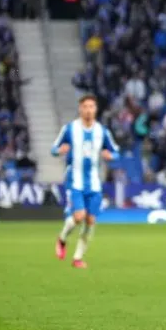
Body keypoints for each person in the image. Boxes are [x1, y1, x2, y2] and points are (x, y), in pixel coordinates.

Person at [51, 95, 119, 269]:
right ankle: (62, 238)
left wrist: (111, 155)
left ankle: (78, 258)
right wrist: (60, 150)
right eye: (85, 106)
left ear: (95, 109)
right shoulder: (70, 129)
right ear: (80, 109)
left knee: (90, 221)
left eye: (91, 106)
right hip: (75, 182)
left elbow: (116, 151)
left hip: (95, 184)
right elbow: (53, 148)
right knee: (79, 216)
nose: (88, 110)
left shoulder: (102, 131)